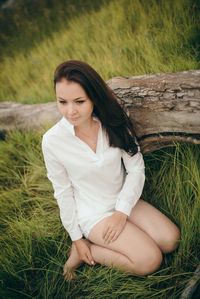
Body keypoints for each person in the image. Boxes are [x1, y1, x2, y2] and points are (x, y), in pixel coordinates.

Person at [41, 60, 180, 280]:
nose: (70, 111)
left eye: (79, 101)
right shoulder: (52, 141)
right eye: (62, 102)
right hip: (93, 213)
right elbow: (63, 192)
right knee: (150, 260)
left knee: (170, 240)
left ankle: (107, 237)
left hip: (123, 200)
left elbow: (135, 168)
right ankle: (84, 250)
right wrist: (76, 236)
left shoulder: (113, 120)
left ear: (94, 97)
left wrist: (121, 212)